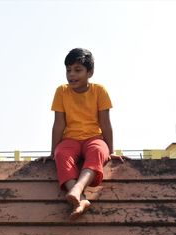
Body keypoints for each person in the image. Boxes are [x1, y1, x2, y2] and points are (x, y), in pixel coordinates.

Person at [38, 48, 125, 220]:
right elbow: (59, 124)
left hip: (94, 138)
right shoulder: (61, 91)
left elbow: (105, 123)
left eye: (78, 70)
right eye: (68, 70)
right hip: (70, 139)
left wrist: (111, 150)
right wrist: (52, 152)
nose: (72, 75)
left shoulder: (99, 91)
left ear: (90, 72)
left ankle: (77, 189)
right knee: (61, 154)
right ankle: (81, 200)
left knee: (99, 151)